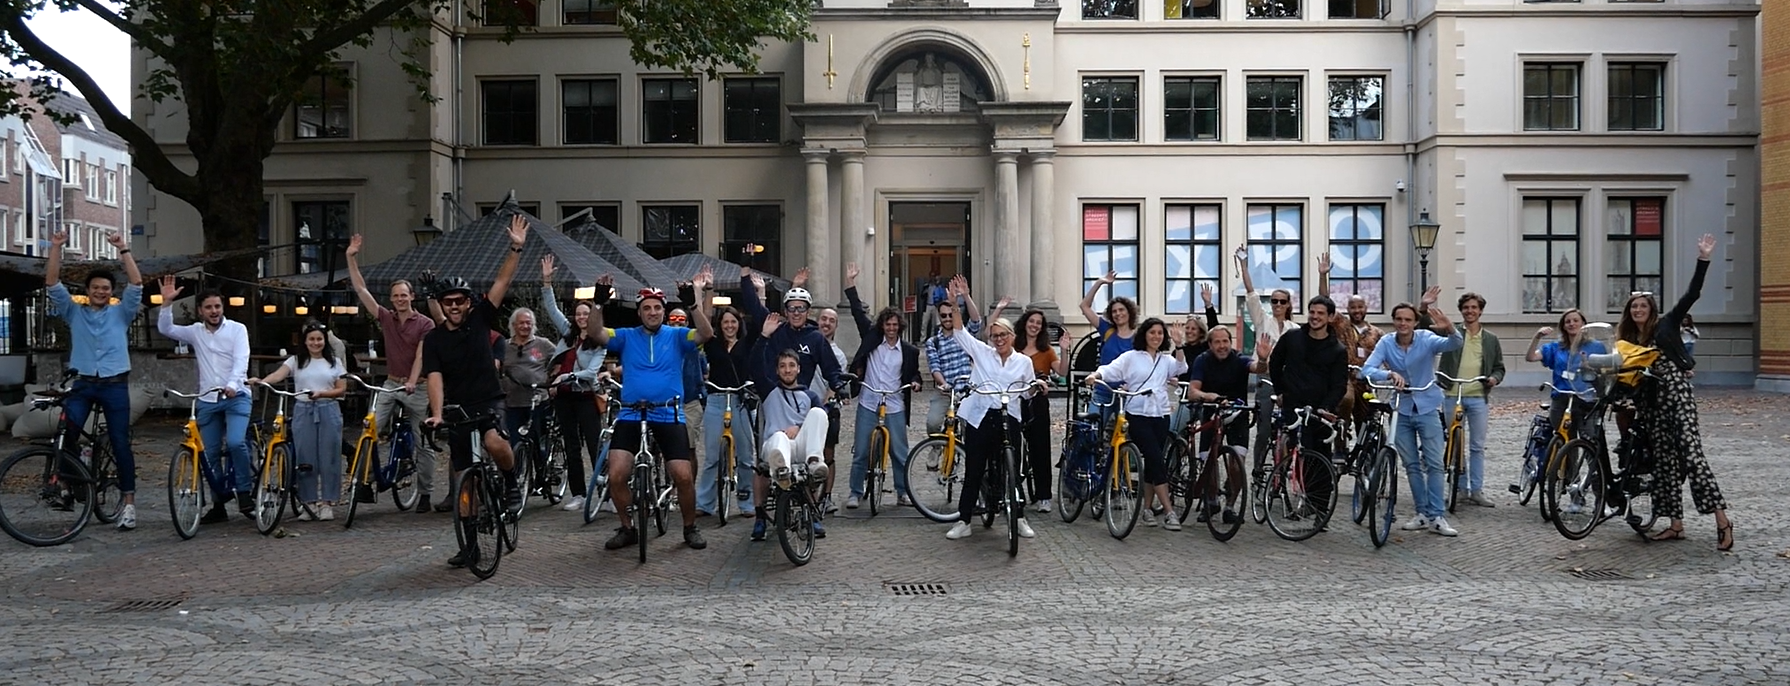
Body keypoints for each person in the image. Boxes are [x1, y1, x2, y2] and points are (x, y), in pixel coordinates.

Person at [421, 214, 528, 569]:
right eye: (448, 301)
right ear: (441, 304)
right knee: (462, 484)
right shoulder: (434, 339)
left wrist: (515, 247)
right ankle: (469, 546)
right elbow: (434, 377)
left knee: (496, 443)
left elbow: (501, 281)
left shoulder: (481, 319)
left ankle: (511, 480)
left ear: (468, 302)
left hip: (489, 399)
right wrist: (436, 413)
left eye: (459, 301)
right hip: (457, 407)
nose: (454, 306)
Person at [1618, 233, 1731, 551]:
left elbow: (1692, 293)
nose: (1638, 309)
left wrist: (1703, 258)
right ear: (1629, 312)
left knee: (1692, 457)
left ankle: (1722, 521)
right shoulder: (1630, 341)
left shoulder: (1666, 324)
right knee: (1664, 462)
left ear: (1651, 309)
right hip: (1652, 403)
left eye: (1643, 305)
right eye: (1633, 306)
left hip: (1677, 393)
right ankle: (1674, 525)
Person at [592, 268, 717, 552]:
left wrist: (693, 305)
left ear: (664, 310)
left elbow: (706, 334)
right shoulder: (625, 336)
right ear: (639, 313)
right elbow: (596, 332)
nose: (652, 312)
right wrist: (598, 303)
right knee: (617, 475)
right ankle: (627, 527)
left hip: (668, 413)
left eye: (657, 308)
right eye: (646, 308)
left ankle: (689, 527)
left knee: (683, 475)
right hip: (632, 413)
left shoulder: (676, 336)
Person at [44, 229, 143, 529]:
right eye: (96, 287)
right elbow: (52, 283)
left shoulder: (121, 313)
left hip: (114, 384)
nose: (101, 291)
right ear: (88, 290)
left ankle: (128, 504)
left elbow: (136, 284)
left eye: (106, 288)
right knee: (66, 431)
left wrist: (123, 249)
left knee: (120, 442)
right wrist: (56, 247)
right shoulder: (75, 313)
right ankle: (68, 487)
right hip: (84, 384)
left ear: (112, 292)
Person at [941, 279, 1045, 541]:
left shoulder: (1023, 362)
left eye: (1003, 335)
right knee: (974, 469)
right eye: (995, 335)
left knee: (1015, 469)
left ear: (1012, 337)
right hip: (981, 415)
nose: (998, 340)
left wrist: (1037, 386)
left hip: (1009, 416)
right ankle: (964, 520)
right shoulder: (982, 353)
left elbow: (1027, 391)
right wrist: (956, 302)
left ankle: (1019, 517)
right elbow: (959, 330)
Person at [345, 235, 440, 513]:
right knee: (369, 428)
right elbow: (361, 289)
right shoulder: (386, 317)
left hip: (418, 387)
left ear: (412, 296)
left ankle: (424, 493)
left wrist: (412, 380)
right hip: (391, 383)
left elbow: (422, 355)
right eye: (395, 296)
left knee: (423, 441)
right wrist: (351, 257)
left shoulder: (424, 323)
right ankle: (365, 480)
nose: (400, 299)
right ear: (391, 299)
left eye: (404, 295)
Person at [1361, 289, 1464, 537]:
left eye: (1408, 319)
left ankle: (1437, 516)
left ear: (1415, 322)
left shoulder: (1426, 338)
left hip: (1428, 405)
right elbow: (1365, 369)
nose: (1403, 324)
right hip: (1402, 408)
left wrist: (1449, 327)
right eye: (1399, 319)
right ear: (1394, 321)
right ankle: (1421, 513)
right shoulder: (1386, 342)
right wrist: (1388, 374)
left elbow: (1455, 343)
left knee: (1435, 463)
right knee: (1411, 465)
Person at [155, 276, 254, 525]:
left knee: (235, 443)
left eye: (217, 307)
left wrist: (232, 386)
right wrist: (166, 304)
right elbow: (166, 329)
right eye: (208, 307)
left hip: (236, 396)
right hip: (207, 399)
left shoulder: (237, 330)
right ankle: (218, 503)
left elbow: (242, 360)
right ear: (200, 310)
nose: (213, 312)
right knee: (208, 454)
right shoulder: (196, 332)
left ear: (223, 308)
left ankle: (244, 492)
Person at [1085, 317, 1189, 530]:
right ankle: (1169, 511)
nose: (1156, 337)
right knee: (1154, 457)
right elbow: (1109, 369)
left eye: (1160, 333)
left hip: (1160, 414)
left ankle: (1147, 510)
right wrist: (1095, 375)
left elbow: (1181, 367)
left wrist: (1179, 344)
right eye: (1152, 333)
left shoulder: (1164, 360)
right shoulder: (1130, 357)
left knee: (1153, 462)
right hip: (1138, 413)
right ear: (1144, 334)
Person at [842, 262, 924, 510]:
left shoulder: (908, 351)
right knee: (861, 452)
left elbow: (915, 374)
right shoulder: (872, 338)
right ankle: (855, 492)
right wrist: (850, 283)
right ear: (882, 326)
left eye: (894, 325)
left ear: (900, 327)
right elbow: (857, 311)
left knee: (900, 452)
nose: (890, 328)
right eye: (887, 324)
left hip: (895, 404)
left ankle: (902, 492)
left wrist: (916, 383)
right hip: (869, 400)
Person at [249, 321, 349, 520]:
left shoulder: (335, 362)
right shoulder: (295, 361)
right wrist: (262, 381)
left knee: (328, 456)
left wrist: (322, 394)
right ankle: (308, 502)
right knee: (305, 457)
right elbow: (279, 375)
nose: (315, 343)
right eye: (311, 339)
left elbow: (342, 388)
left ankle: (327, 502)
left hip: (328, 408)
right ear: (305, 341)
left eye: (319, 339)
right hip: (303, 409)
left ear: (324, 341)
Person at [539, 255, 607, 514]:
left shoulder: (599, 341)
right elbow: (551, 307)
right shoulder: (567, 333)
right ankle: (578, 493)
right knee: (571, 447)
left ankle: (604, 494)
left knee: (595, 446)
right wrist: (547, 281)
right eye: (578, 314)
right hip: (564, 398)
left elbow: (591, 373)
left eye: (585, 314)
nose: (581, 318)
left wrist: (566, 377)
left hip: (585, 397)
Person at [1424, 291, 1506, 508]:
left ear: (1480, 311)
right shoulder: (1451, 332)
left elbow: (1499, 367)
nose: (1470, 311)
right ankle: (1460, 487)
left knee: (1477, 446)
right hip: (1452, 394)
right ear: (1461, 311)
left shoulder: (1490, 339)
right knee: (1455, 442)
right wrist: (1424, 306)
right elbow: (1423, 328)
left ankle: (1476, 490)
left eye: (1474, 307)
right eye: (1466, 308)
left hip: (1478, 396)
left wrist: (1494, 379)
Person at [1185, 326, 1266, 523]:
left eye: (1225, 342)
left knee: (1236, 465)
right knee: (1209, 462)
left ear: (1231, 342)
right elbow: (1192, 391)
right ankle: (1211, 501)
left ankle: (1230, 506)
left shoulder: (1239, 359)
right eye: (1217, 342)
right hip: (1212, 411)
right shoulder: (1202, 360)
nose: (1222, 346)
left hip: (1237, 414)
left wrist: (1263, 359)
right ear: (1210, 344)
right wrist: (1208, 396)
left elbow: (1257, 368)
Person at [749, 347, 830, 541]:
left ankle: (814, 465)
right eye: (783, 366)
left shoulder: (810, 396)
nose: (787, 370)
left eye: (791, 366)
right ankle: (780, 476)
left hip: (801, 447)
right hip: (776, 447)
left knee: (819, 413)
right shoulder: (769, 391)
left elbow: (818, 424)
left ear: (799, 369)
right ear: (777, 370)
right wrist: (764, 338)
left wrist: (799, 427)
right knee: (778, 437)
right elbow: (755, 365)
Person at [1239, 248, 1302, 465]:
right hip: (1265, 379)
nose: (1277, 305)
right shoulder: (1262, 320)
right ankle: (1257, 470)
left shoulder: (1295, 328)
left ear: (1288, 305)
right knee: (1264, 430)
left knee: (1290, 429)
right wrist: (1244, 266)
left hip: (1288, 383)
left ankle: (1284, 470)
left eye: (1281, 302)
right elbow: (1251, 293)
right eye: (1274, 301)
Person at [1266, 295, 1350, 456]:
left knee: (1318, 463)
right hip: (1293, 405)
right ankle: (1281, 477)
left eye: (1320, 313)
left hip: (1319, 410)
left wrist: (1326, 407)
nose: (1315, 317)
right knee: (1292, 451)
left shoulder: (1338, 350)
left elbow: (1339, 385)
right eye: (1312, 312)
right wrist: (1280, 392)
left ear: (1330, 317)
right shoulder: (1292, 337)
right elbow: (1275, 363)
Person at [698, 304, 758, 518]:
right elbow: (702, 319)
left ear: (739, 324)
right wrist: (704, 291)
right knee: (712, 457)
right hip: (716, 399)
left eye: (733, 322)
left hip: (740, 401)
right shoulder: (713, 344)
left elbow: (761, 322)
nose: (730, 326)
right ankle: (705, 503)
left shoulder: (747, 343)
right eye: (725, 322)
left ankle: (747, 502)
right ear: (720, 325)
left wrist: (759, 295)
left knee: (745, 457)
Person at [1524, 308, 1603, 441]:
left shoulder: (1596, 346)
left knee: (1590, 440)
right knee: (1564, 442)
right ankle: (1567, 462)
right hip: (1561, 399)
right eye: (1568, 322)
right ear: (1563, 326)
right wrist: (1537, 337)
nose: (1572, 324)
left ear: (1583, 323)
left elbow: (1604, 372)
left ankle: (1595, 462)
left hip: (1586, 399)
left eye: (1575, 320)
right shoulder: (1556, 347)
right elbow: (1530, 357)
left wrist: (1588, 368)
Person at [500, 307, 556, 493]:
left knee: (536, 441)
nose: (525, 326)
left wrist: (555, 379)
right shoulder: (504, 346)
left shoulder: (544, 344)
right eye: (521, 323)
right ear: (513, 326)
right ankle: (518, 481)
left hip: (538, 401)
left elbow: (560, 361)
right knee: (515, 442)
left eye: (528, 323)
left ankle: (543, 475)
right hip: (513, 402)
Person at [923, 277, 984, 438]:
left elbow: (976, 321)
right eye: (944, 316)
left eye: (951, 315)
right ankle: (936, 447)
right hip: (946, 391)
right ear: (939, 317)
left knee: (971, 429)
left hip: (967, 390)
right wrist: (943, 384)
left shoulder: (964, 335)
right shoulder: (933, 341)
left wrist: (966, 296)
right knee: (933, 423)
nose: (948, 319)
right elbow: (934, 366)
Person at [1078, 270, 1139, 421]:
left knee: (1125, 435)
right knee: (1091, 429)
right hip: (1103, 390)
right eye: (1114, 311)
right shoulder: (1107, 330)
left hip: (1126, 393)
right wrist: (1100, 282)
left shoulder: (1138, 338)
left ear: (1129, 312)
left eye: (1121, 310)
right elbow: (1085, 306)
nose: (1118, 314)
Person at [813, 299, 848, 513]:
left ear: (836, 326)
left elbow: (833, 386)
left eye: (831, 321)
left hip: (827, 410)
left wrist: (822, 406)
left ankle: (826, 496)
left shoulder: (839, 355)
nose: (827, 323)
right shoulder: (807, 344)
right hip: (804, 408)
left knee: (828, 455)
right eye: (824, 319)